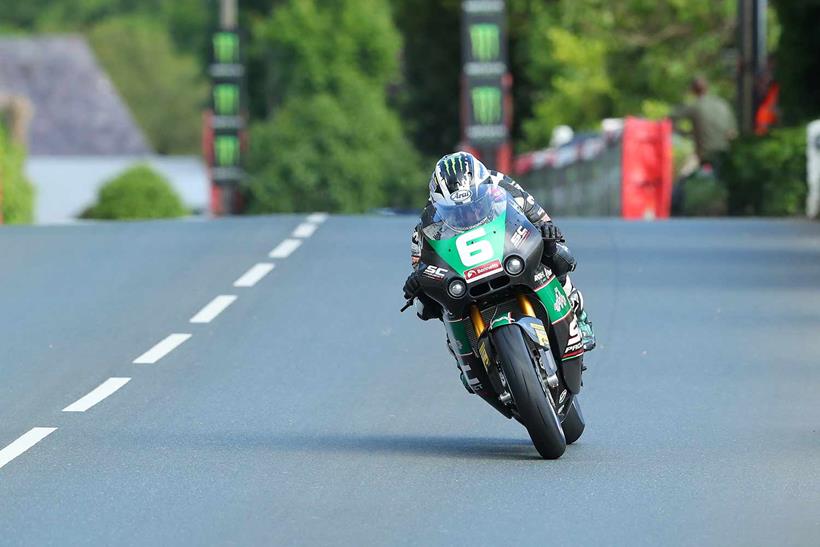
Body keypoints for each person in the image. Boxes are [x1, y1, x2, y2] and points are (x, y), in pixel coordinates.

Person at [402, 151, 596, 357]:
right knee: (432, 303)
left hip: (505, 250)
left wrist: (547, 230)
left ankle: (578, 314)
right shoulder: (429, 222)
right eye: (456, 212)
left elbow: (538, 216)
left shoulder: (501, 184)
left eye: (472, 206)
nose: (467, 214)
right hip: (465, 273)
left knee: (554, 252)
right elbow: (421, 265)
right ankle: (462, 351)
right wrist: (418, 282)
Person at [671, 76, 738, 178]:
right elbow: (732, 133)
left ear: (692, 91)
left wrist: (684, 133)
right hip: (725, 155)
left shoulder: (695, 105)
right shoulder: (723, 104)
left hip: (705, 156)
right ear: (708, 88)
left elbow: (670, 119)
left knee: (683, 178)